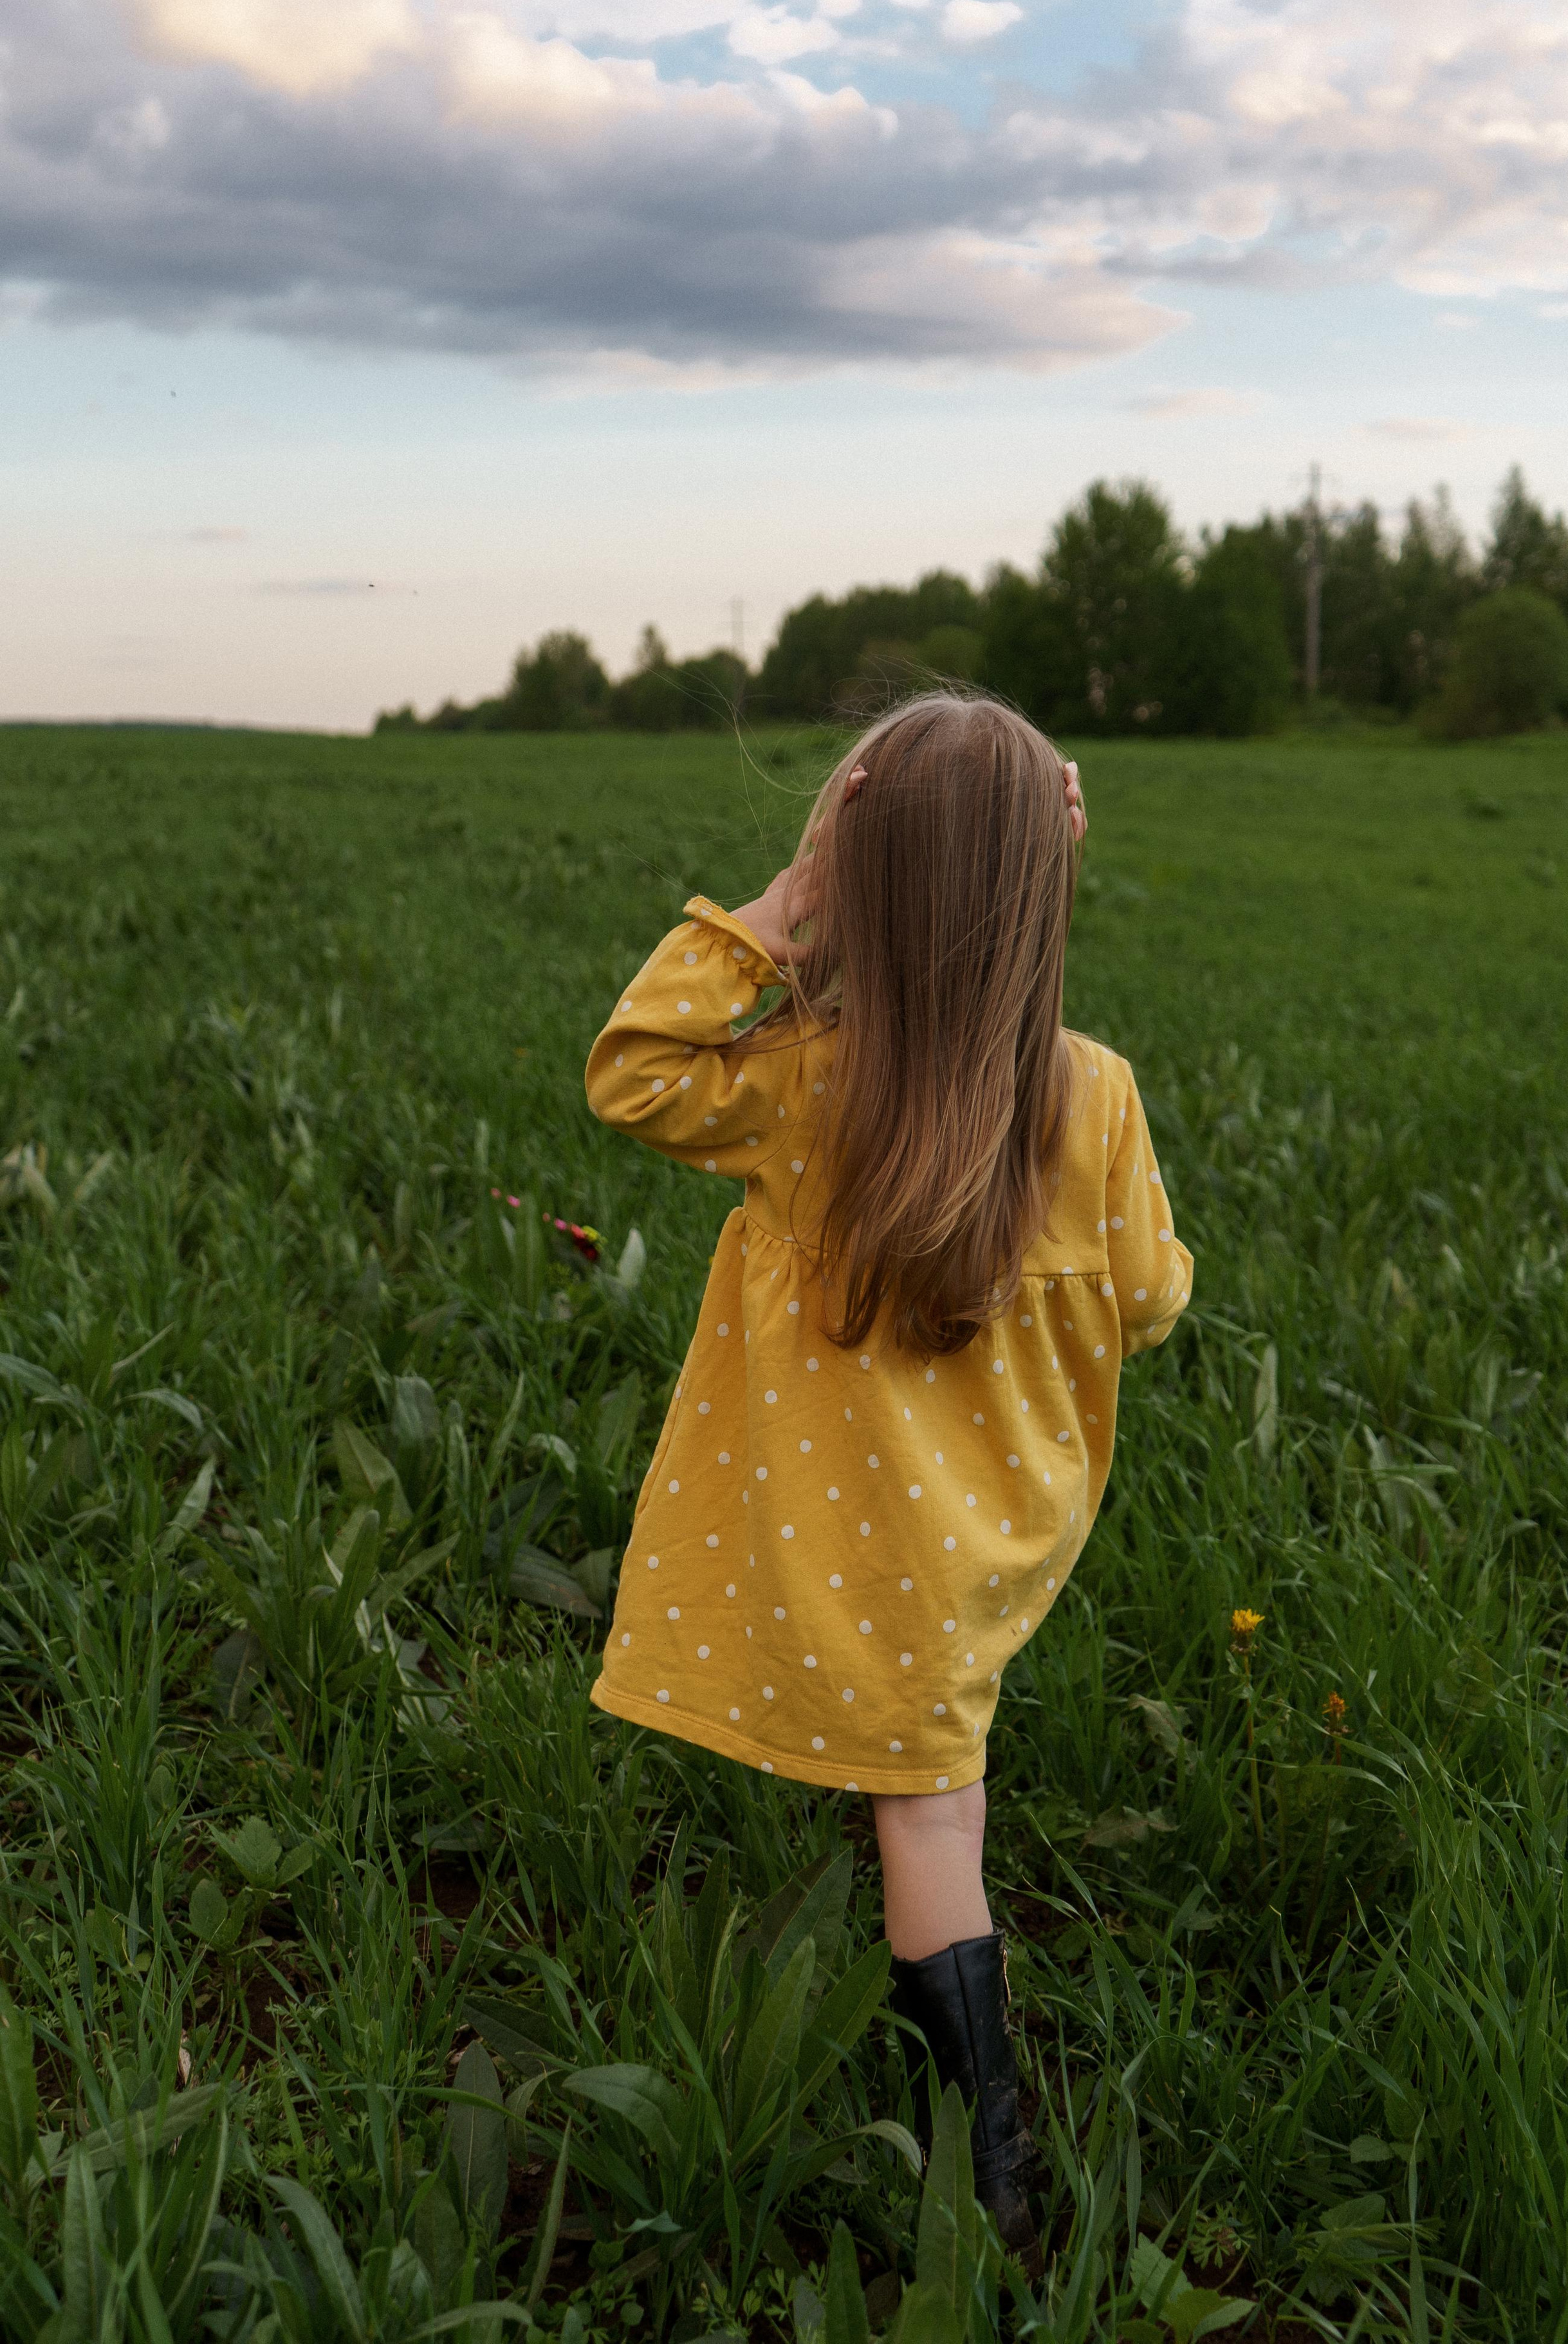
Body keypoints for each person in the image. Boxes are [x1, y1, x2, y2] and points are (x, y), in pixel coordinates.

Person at [584, 690, 1192, 2260]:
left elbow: (635, 1069)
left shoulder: (803, 1088)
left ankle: (988, 2168)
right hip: (978, 1544)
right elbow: (1149, 1295)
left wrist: (786, 912)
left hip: (846, 1548)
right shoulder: (1093, 1095)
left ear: (855, 880)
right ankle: (987, 2165)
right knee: (928, 1801)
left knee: (926, 1820)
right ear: (1038, 895)